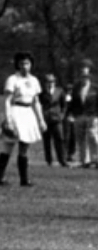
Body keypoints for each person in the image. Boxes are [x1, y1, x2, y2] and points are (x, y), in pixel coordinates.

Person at [0, 51, 46, 188]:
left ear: (31, 64)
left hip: (28, 113)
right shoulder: (13, 79)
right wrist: (8, 119)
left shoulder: (34, 81)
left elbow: (36, 101)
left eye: (27, 63)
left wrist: (41, 120)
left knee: (24, 147)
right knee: (8, 146)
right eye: (21, 63)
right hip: (16, 111)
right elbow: (7, 100)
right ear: (17, 65)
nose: (24, 66)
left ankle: (24, 180)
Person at [68, 60, 98, 168]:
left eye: (86, 76)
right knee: (81, 139)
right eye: (82, 76)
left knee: (93, 138)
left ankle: (95, 159)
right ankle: (84, 160)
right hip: (79, 116)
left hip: (92, 116)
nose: (84, 78)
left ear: (89, 77)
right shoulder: (76, 88)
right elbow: (72, 102)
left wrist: (97, 115)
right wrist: (72, 114)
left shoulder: (95, 88)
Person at [38, 73, 67, 167]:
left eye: (52, 81)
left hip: (56, 119)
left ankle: (62, 160)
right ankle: (48, 160)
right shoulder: (41, 92)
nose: (50, 83)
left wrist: (62, 115)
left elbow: (64, 105)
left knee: (59, 139)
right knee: (47, 140)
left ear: (55, 81)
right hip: (45, 119)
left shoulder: (60, 91)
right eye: (48, 81)